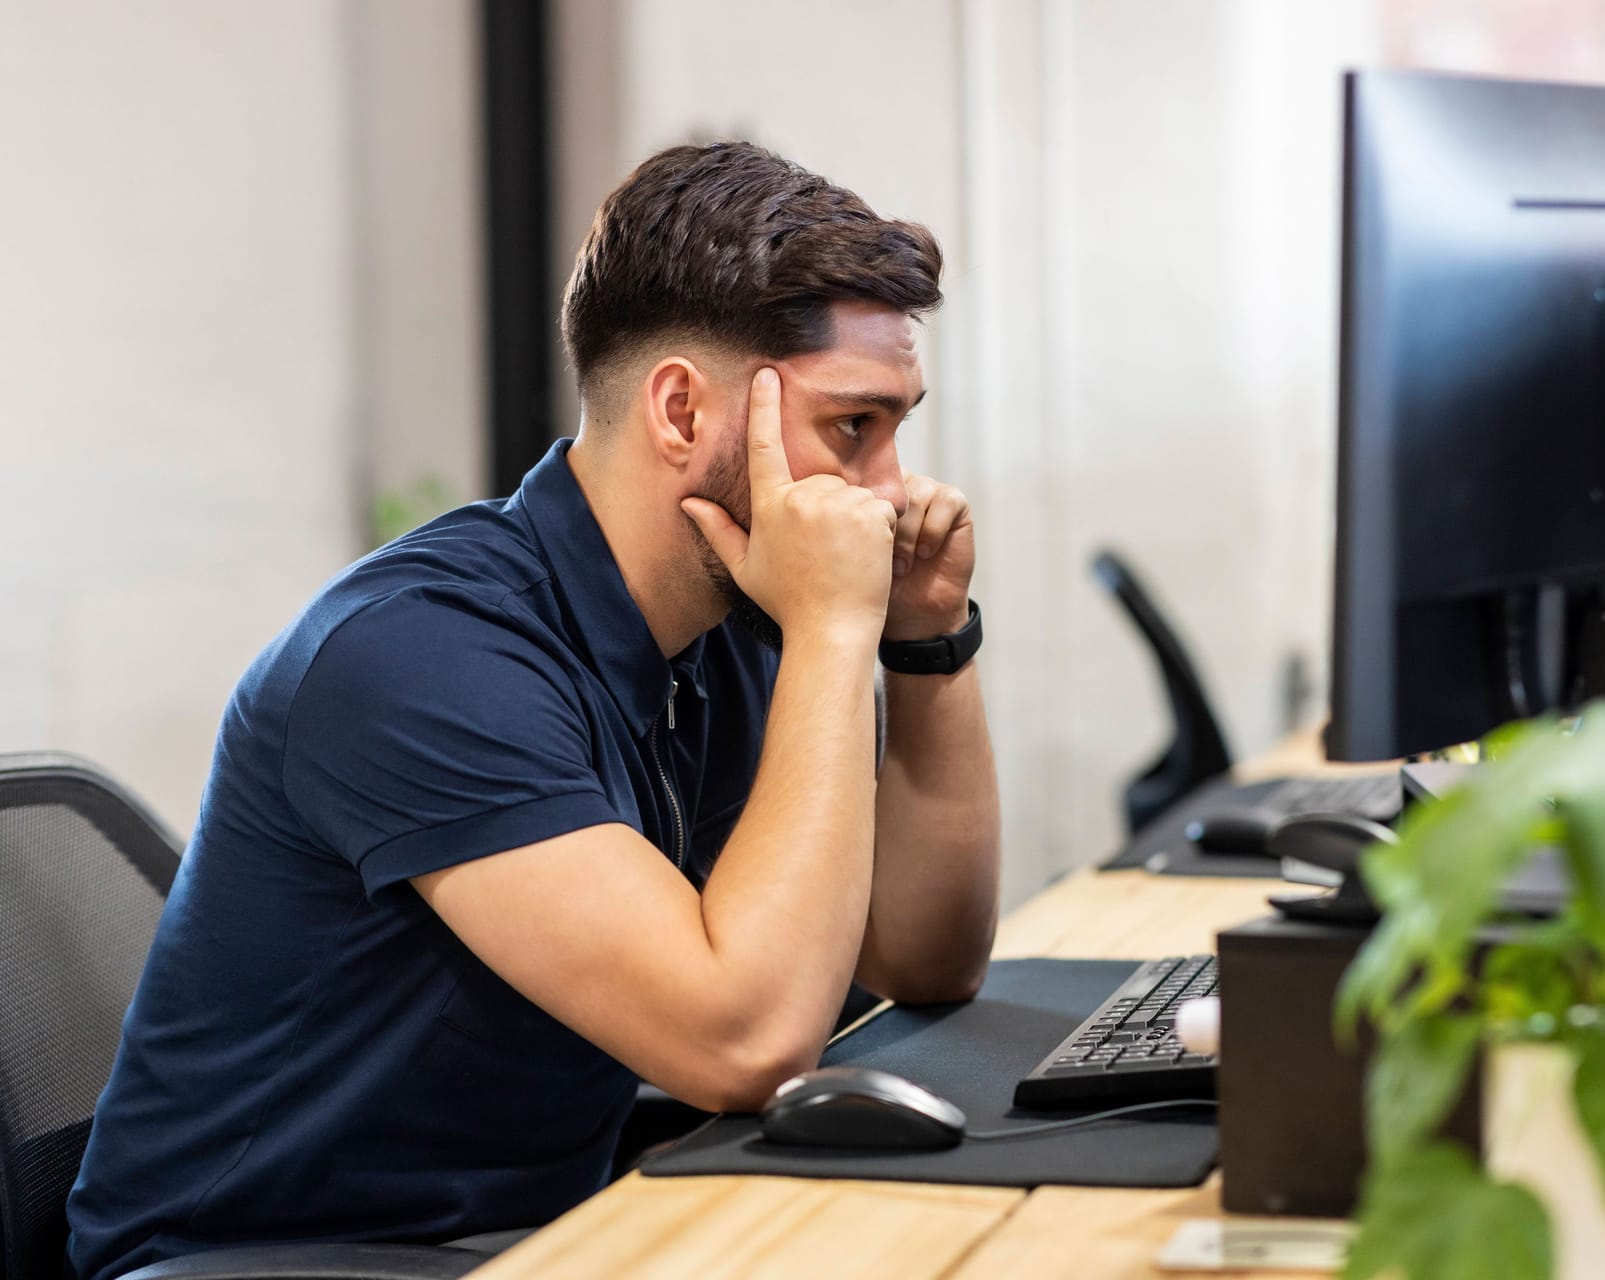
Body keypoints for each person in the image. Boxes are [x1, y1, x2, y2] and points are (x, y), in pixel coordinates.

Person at [67, 141, 1000, 1280]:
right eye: (855, 427)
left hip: (530, 1236)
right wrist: (833, 632)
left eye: (900, 428)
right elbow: (743, 1039)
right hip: (278, 1261)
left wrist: (925, 638)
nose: (895, 489)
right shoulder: (421, 655)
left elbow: (926, 958)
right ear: (679, 410)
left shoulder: (727, 631)